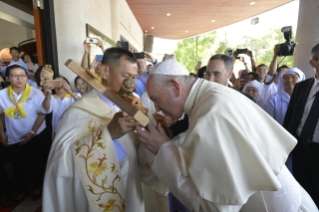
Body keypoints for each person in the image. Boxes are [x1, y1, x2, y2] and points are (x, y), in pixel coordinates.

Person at [135, 59, 317, 212]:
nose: (157, 108)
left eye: (156, 99)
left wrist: (162, 149)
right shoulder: (210, 96)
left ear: (176, 87)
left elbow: (215, 207)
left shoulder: (210, 113)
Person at [42, 47, 166, 212]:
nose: (131, 84)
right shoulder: (79, 110)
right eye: (125, 76)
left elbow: (137, 150)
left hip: (130, 184)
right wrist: (109, 134)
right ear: (105, 71)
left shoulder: (134, 104)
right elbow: (61, 160)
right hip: (98, 195)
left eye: (134, 77)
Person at [0, 65, 51, 205]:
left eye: (22, 75)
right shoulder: (2, 95)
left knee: (36, 163)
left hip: (36, 134)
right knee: (19, 165)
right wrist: (1, 133)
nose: (20, 78)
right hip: (14, 136)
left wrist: (32, 132)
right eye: (15, 75)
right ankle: (22, 189)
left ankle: (36, 188)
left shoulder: (35, 93)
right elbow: (0, 115)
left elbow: (43, 113)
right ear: (7, 78)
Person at [283, 43, 319, 208]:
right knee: (302, 196)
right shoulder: (302, 87)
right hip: (301, 151)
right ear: (313, 63)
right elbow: (290, 118)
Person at [265, 68, 305, 174]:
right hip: (280, 144)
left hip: (301, 146)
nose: (289, 80)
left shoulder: (306, 100)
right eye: (286, 77)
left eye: (294, 77)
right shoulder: (273, 99)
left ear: (301, 79)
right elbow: (269, 124)